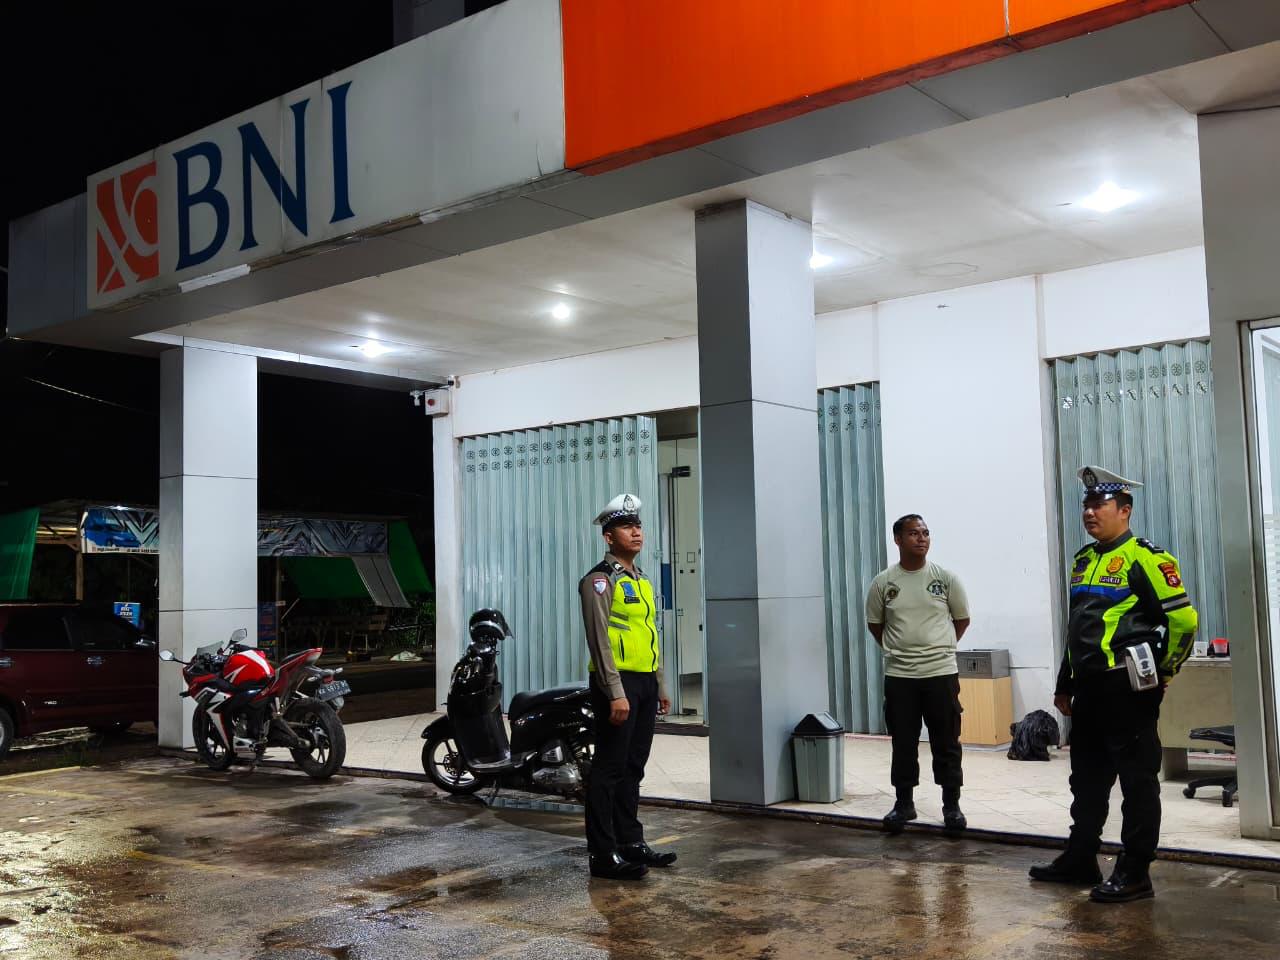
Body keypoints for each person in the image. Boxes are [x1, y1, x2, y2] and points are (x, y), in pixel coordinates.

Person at [1030, 466, 1199, 903]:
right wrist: (1065, 683)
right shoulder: (1083, 560)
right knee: (1086, 780)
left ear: (1125, 510)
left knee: (1137, 782)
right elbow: (1077, 628)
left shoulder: (1147, 558)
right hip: (1088, 689)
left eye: (1099, 504)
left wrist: (1165, 671)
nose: (1089, 512)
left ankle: (1136, 871)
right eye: (1086, 504)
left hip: (1128, 687)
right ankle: (1080, 857)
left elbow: (1183, 620)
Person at [579, 493, 676, 880]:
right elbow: (599, 640)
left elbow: (650, 634)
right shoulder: (600, 581)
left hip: (644, 683)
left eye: (638, 526)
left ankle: (630, 842)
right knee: (609, 769)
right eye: (625, 527)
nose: (636, 532)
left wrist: (660, 685)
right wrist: (615, 692)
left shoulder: (641, 579)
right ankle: (603, 854)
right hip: (616, 684)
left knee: (633, 767)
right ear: (608, 537)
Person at [866, 514, 971, 836]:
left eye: (925, 533)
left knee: (946, 742)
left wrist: (938, 648)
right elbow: (875, 624)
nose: (921, 538)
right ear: (897, 539)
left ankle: (951, 806)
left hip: (940, 673)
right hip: (900, 676)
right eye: (913, 533)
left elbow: (961, 620)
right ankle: (904, 804)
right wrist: (900, 650)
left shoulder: (945, 579)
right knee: (903, 742)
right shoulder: (884, 583)